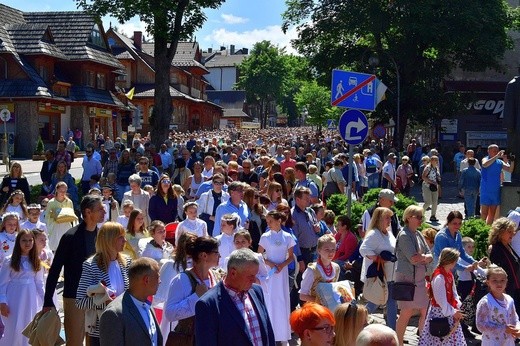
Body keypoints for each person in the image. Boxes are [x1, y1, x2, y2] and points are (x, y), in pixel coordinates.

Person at [42, 195, 105, 346]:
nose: (104, 211)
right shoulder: (70, 237)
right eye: (100, 209)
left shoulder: (102, 236)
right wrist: (48, 300)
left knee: (96, 342)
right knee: (75, 342)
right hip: (74, 298)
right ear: (88, 212)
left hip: (98, 297)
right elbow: (55, 269)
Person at [195, 248, 275, 346]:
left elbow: (268, 334)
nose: (254, 280)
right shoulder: (208, 304)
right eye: (250, 276)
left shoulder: (257, 291)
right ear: (233, 273)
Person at [75, 222, 131, 345]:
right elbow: (80, 301)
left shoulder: (127, 262)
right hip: (101, 330)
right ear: (109, 240)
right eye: (120, 237)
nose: (125, 240)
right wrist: (104, 302)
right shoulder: (91, 265)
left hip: (125, 326)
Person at [164, 237, 223, 344]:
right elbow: (169, 314)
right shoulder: (182, 280)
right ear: (203, 255)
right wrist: (196, 297)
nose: (220, 256)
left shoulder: (216, 277)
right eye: (216, 253)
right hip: (190, 340)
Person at [99, 257, 162, 346]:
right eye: (158, 277)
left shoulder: (148, 306)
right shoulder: (113, 314)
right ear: (146, 280)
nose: (160, 282)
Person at [394, 205, 433, 345]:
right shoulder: (404, 235)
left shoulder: (419, 234)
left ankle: (424, 341)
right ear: (408, 217)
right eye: (418, 217)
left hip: (420, 279)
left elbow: (430, 255)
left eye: (422, 217)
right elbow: (413, 258)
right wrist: (424, 258)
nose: (421, 220)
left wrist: (423, 257)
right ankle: (398, 342)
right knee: (406, 312)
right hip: (407, 279)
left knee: (424, 310)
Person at [258, 210, 295, 344]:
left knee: (283, 300)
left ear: (279, 221)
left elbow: (291, 257)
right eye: (267, 222)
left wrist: (282, 265)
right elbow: (259, 255)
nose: (268, 224)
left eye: (271, 221)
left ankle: (283, 336)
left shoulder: (288, 236)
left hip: (282, 273)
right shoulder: (265, 237)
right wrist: (271, 263)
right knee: (270, 300)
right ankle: (270, 335)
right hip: (270, 273)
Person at [0, 230, 43, 346]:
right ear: (18, 241)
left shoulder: (36, 261)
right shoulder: (9, 260)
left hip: (30, 298)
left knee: (28, 325)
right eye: (24, 240)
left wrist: (46, 301)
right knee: (14, 326)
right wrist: (2, 302)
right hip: (14, 297)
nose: (27, 243)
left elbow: (39, 283)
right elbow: (2, 283)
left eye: (30, 240)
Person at [359, 206, 397, 329]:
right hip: (380, 275)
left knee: (392, 303)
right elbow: (363, 249)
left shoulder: (388, 233)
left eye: (390, 218)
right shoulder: (374, 233)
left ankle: (393, 330)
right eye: (387, 218)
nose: (389, 220)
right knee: (376, 301)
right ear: (379, 219)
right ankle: (357, 320)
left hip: (390, 275)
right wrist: (377, 258)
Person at [418, 248, 466, 344]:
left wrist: (457, 306)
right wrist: (453, 312)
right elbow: (441, 300)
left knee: (451, 338)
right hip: (440, 313)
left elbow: (454, 292)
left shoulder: (449, 274)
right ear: (451, 261)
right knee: (440, 337)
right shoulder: (439, 277)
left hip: (449, 311)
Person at [476, 265, 520, 345]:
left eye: (502, 280)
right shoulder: (486, 302)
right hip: (492, 342)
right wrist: (503, 329)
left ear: (506, 281)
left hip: (508, 341)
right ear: (488, 282)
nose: (499, 283)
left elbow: (514, 318)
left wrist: (517, 329)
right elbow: (480, 324)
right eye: (495, 280)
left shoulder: (509, 299)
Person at [488, 217, 520, 315]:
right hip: (506, 290)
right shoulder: (496, 249)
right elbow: (496, 273)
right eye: (509, 231)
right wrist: (502, 293)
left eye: (513, 231)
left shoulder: (508, 246)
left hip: (515, 288)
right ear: (500, 232)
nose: (513, 234)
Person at [299, 234, 340, 302]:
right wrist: (321, 302)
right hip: (315, 308)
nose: (331, 252)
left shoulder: (336, 267)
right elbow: (302, 296)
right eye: (327, 249)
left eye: (333, 249)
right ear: (319, 250)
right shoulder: (312, 270)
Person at [481, 144, 513, 224]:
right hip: (486, 190)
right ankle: (481, 228)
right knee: (484, 213)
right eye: (494, 151)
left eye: (497, 151)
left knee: (492, 213)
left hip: (495, 190)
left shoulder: (499, 162)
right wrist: (497, 156)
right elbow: (485, 165)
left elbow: (509, 170)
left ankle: (488, 229)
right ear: (488, 151)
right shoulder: (485, 159)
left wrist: (512, 161)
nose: (496, 152)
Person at [422, 155, 441, 222]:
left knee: (435, 202)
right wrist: (432, 182)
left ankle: (433, 216)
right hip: (427, 186)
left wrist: (438, 180)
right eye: (435, 160)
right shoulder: (428, 168)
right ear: (431, 161)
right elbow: (423, 177)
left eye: (437, 160)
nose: (437, 161)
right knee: (428, 202)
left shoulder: (436, 167)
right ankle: (420, 214)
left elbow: (437, 176)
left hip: (434, 186)